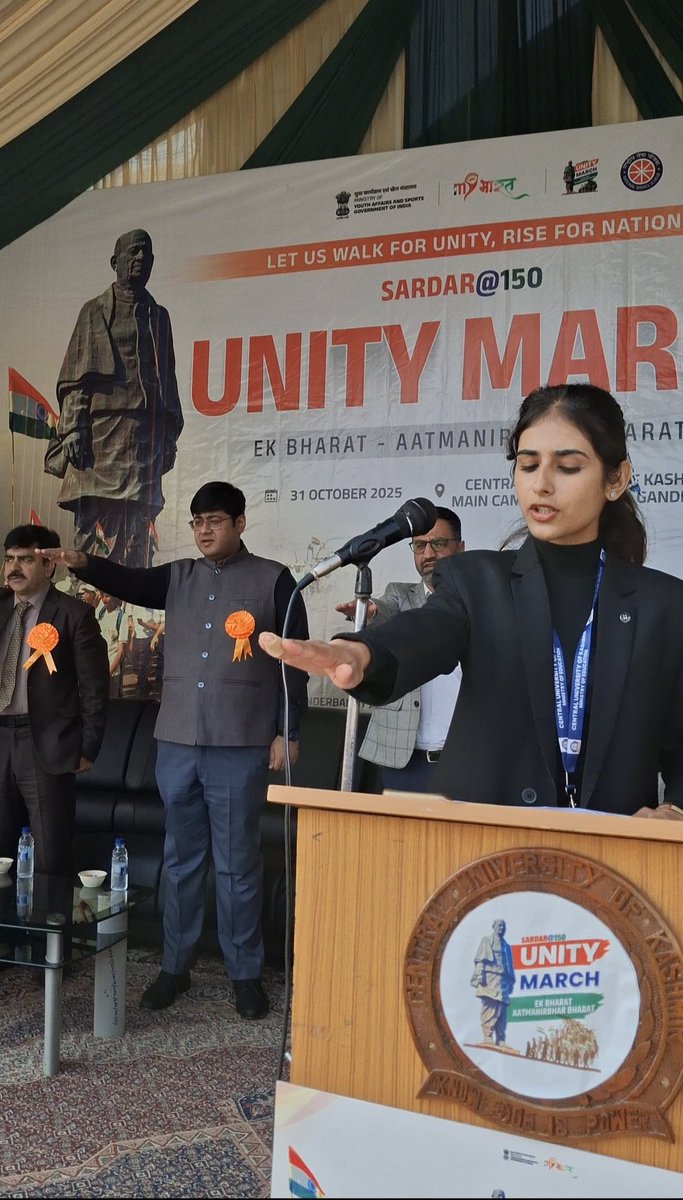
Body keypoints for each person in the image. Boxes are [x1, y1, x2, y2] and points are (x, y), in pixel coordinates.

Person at [258, 383, 683, 821]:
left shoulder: (664, 605)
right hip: (481, 856)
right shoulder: (478, 581)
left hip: (613, 866)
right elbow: (424, 633)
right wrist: (361, 652)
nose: (541, 484)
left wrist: (675, 809)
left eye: (568, 467)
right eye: (528, 464)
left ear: (616, 480)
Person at [39, 481, 309, 1019]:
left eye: (215, 520)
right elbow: (130, 581)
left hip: (241, 743)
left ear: (240, 522)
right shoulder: (178, 576)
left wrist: (289, 730)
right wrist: (82, 561)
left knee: (237, 865)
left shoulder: (276, 580)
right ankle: (175, 967)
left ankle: (245, 974)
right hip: (177, 741)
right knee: (180, 861)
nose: (204, 530)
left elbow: (295, 663)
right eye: (197, 522)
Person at [44, 228, 184, 568]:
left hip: (143, 438)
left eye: (146, 255)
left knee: (137, 526)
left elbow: (168, 381)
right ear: (115, 262)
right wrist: (75, 428)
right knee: (97, 522)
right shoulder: (94, 312)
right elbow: (77, 379)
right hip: (101, 435)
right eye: (133, 253)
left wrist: (167, 437)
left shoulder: (158, 316)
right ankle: (89, 592)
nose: (140, 260)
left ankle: (130, 596)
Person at [0, 524, 109, 876]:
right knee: (1, 854)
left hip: (45, 745)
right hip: (0, 739)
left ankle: (48, 931)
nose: (14, 568)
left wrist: (88, 747)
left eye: (26, 560)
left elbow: (95, 688)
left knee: (49, 854)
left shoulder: (74, 615)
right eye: (9, 559)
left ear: (49, 566)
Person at [335, 507, 465, 793]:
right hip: (404, 761)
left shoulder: (479, 601)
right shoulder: (402, 594)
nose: (428, 553)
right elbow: (388, 611)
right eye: (419, 545)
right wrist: (370, 615)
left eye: (439, 543)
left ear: (461, 547)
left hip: (465, 759)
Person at [470, 918, 515, 1046]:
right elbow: (481, 960)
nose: (501, 928)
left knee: (502, 1009)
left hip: (503, 981)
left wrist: (511, 981)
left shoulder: (506, 946)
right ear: (493, 926)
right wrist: (479, 975)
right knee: (489, 1006)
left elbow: (509, 965)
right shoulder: (487, 941)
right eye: (499, 925)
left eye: (503, 926)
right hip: (490, 978)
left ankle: (501, 1038)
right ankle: (487, 1035)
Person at [96, 592, 126, 698]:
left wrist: (108, 673)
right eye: (102, 596)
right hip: (98, 668)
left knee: (112, 701)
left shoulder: (122, 617)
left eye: (107, 596)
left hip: (112, 670)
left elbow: (121, 652)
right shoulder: (100, 613)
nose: (104, 600)